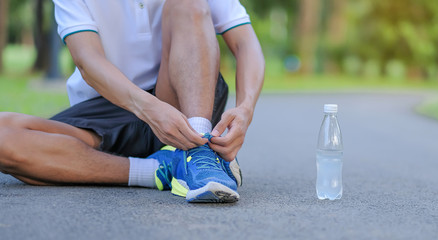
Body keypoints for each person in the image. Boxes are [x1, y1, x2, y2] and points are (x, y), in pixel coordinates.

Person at [0, 0, 264, 203]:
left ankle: (198, 151)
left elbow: (245, 43)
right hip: (111, 104)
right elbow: (87, 60)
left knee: (188, 2)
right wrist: (149, 109)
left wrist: (245, 108)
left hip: (182, 98)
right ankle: (160, 170)